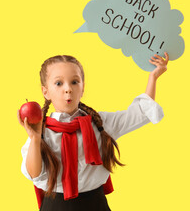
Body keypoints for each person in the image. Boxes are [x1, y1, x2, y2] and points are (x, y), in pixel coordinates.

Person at [18, 53, 169, 211]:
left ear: (83, 88)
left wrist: (153, 77)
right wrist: (35, 139)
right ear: (45, 91)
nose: (68, 89)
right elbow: (34, 174)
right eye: (58, 83)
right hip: (55, 206)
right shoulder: (41, 130)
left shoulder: (100, 123)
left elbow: (139, 112)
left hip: (95, 205)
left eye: (74, 82)